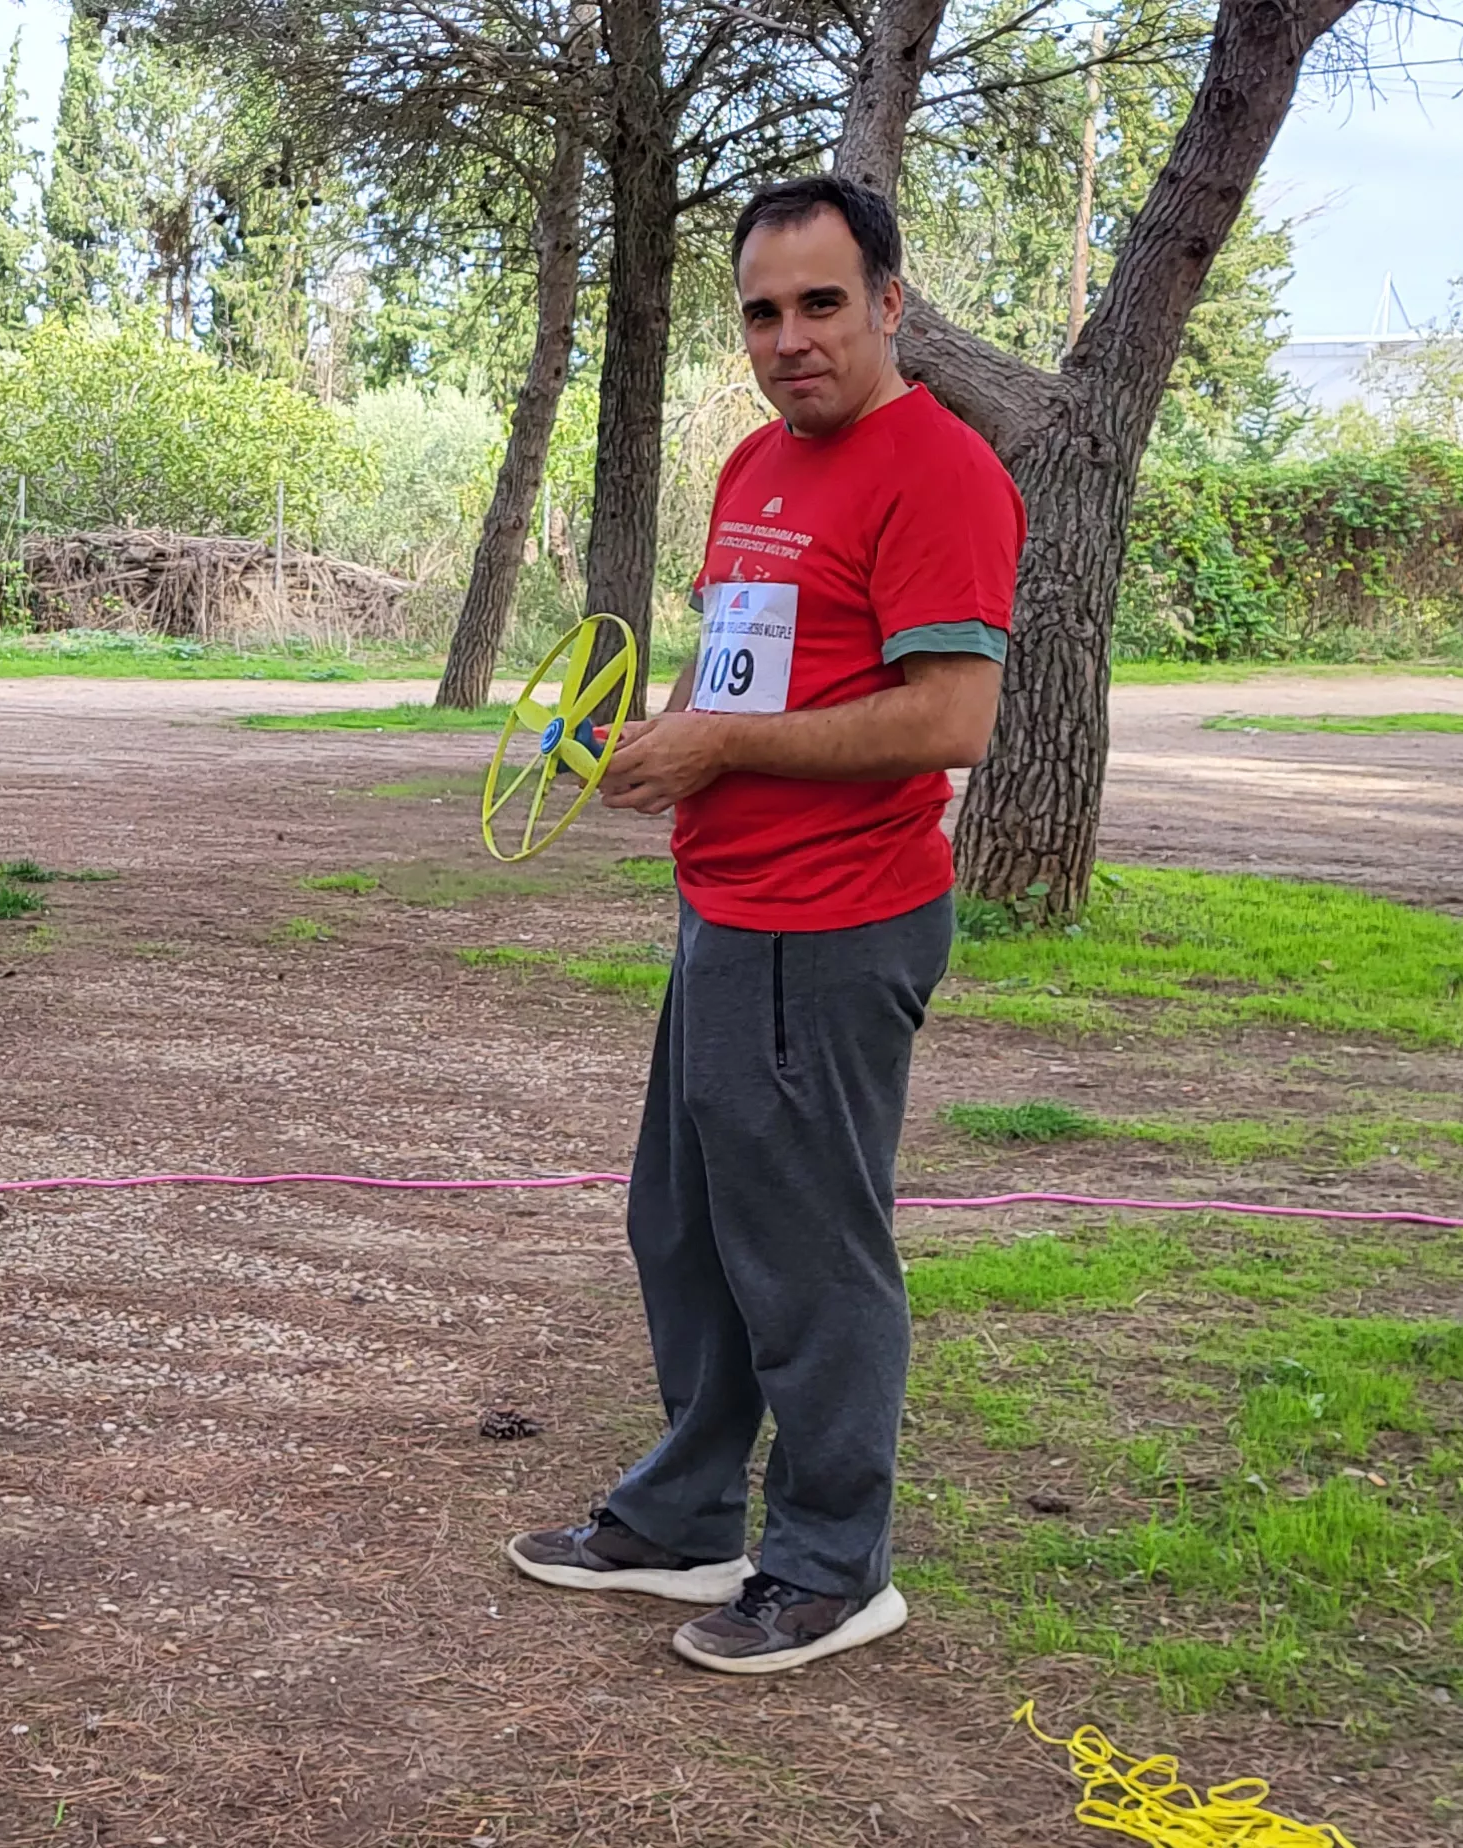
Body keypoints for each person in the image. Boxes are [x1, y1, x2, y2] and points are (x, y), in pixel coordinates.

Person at [504, 174, 1018, 1674]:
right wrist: (662, 743)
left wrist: (725, 752)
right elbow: (741, 676)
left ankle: (833, 1564)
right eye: (762, 312)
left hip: (838, 922)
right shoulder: (754, 468)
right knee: (683, 1227)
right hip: (728, 910)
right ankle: (685, 1519)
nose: (790, 339)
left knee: (808, 1254)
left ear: (890, 306)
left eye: (821, 304)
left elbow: (953, 719)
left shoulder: (940, 472)